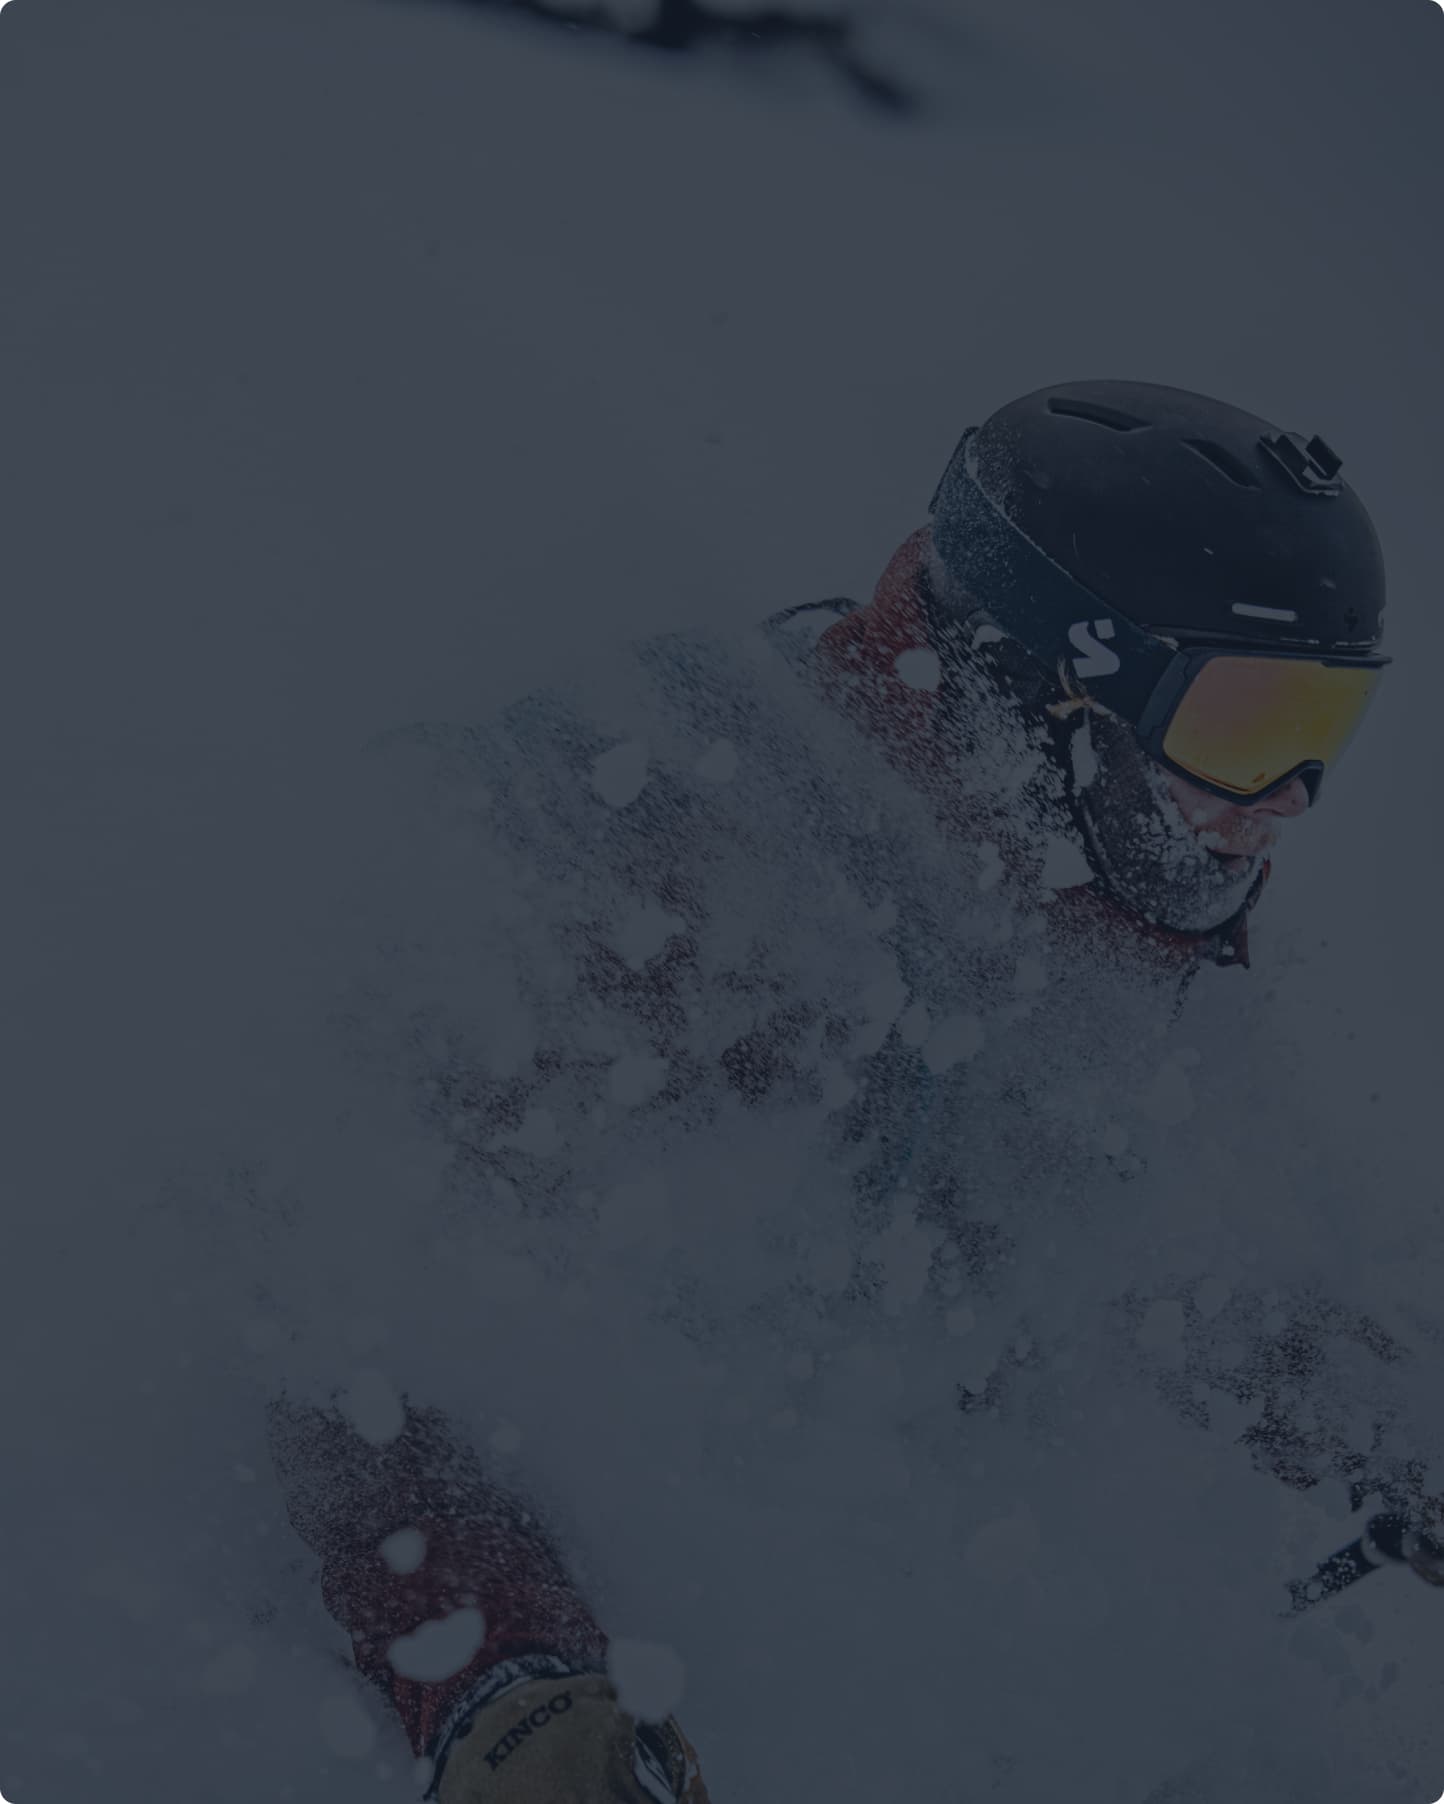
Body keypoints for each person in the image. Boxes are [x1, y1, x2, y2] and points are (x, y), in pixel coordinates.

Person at [284, 378, 1417, 1799]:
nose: (1288, 799)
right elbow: (312, 1313)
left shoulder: (1090, 918)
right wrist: (501, 1675)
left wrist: (1388, 1429)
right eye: (1246, 724)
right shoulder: (672, 871)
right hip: (536, 1648)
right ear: (1035, 686)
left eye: (1328, 728)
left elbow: (1171, 1239)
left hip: (915, 1594)